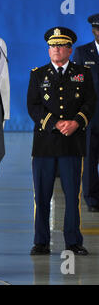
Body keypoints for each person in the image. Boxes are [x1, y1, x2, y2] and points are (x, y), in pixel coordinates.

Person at [27, 27, 96, 255]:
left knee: (72, 194)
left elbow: (90, 103)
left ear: (69, 49)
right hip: (45, 144)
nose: (55, 49)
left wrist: (76, 121)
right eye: (52, 46)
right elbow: (33, 106)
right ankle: (41, 242)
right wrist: (55, 123)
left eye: (60, 45)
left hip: (72, 143)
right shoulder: (38, 74)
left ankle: (73, 241)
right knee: (42, 195)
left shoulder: (82, 73)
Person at [73, 14, 99, 212]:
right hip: (91, 113)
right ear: (93, 30)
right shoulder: (82, 53)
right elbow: (77, 84)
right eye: (98, 29)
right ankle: (91, 198)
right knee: (89, 156)